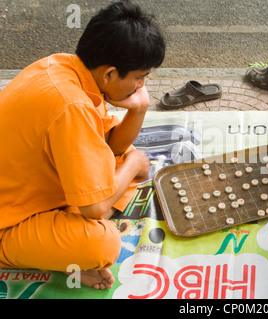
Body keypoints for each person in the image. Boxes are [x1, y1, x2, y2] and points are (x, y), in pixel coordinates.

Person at [0, 0, 165, 289]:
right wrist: (134, 166)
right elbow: (94, 209)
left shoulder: (63, 65)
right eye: (139, 78)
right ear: (109, 74)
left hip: (33, 188)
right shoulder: (72, 105)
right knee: (102, 245)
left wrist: (139, 108)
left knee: (117, 163)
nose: (141, 87)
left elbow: (111, 148)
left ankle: (56, 250)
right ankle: (34, 250)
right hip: (8, 220)